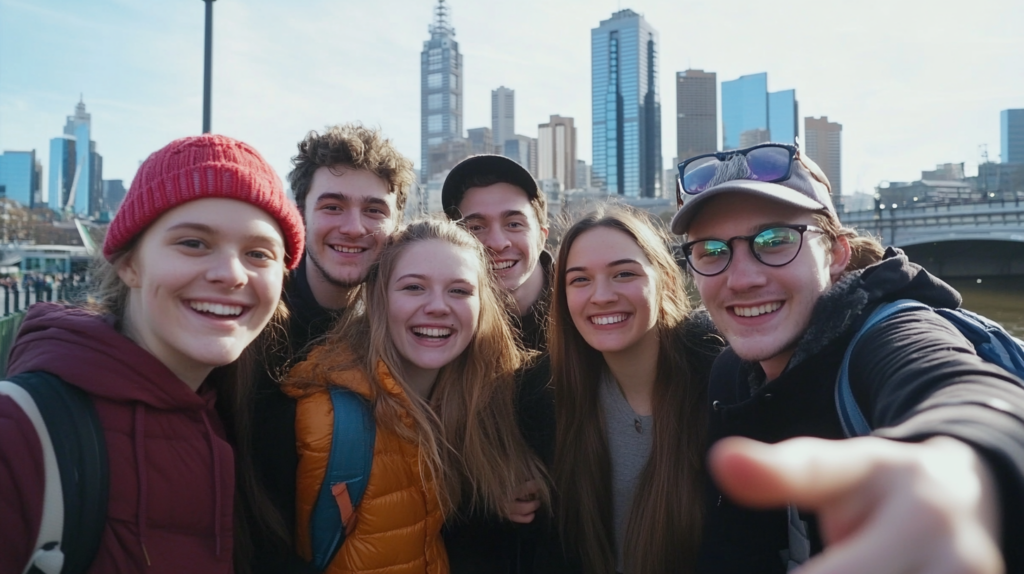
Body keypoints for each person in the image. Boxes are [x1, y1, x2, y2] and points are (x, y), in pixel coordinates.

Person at [669, 141, 1024, 573]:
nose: (741, 278)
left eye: (776, 240)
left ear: (836, 255)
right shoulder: (731, 374)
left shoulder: (886, 335)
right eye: (712, 251)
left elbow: (959, 387)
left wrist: (961, 469)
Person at [0, 133, 305, 574]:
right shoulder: (19, 434)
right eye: (193, 243)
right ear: (129, 264)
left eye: (259, 253)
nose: (231, 274)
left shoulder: (229, 419)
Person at [283, 218, 549, 574]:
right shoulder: (320, 416)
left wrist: (488, 495)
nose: (438, 306)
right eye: (413, 288)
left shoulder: (483, 401)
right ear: (379, 297)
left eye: (459, 291)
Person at [246, 124, 415, 574]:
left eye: (374, 210)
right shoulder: (248, 324)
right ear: (299, 214)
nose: (354, 227)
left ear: (397, 226)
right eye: (333, 206)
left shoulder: (409, 330)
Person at [549, 206, 723, 574]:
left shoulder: (723, 388)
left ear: (664, 279)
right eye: (579, 280)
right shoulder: (556, 402)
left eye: (624, 274)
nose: (602, 296)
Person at [440, 155, 556, 573]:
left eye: (513, 223)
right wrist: (480, 487)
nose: (497, 242)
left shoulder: (588, 312)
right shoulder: (436, 325)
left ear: (541, 234)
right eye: (476, 227)